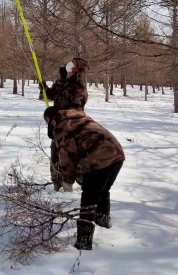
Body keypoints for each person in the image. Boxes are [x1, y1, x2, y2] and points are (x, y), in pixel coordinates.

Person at [43, 104, 125, 251]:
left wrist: (67, 180)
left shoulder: (63, 127)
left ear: (50, 119)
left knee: (88, 200)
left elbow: (68, 156)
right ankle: (103, 223)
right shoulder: (79, 118)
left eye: (46, 121)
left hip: (99, 159)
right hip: (117, 155)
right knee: (102, 191)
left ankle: (84, 242)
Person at [39, 59, 89, 191]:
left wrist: (59, 114)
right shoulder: (61, 81)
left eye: (73, 64)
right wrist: (44, 89)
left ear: (77, 70)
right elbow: (50, 96)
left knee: (71, 156)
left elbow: (75, 111)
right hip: (57, 125)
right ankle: (58, 185)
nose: (69, 64)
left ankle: (83, 182)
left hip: (71, 127)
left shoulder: (79, 88)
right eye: (70, 62)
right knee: (55, 154)